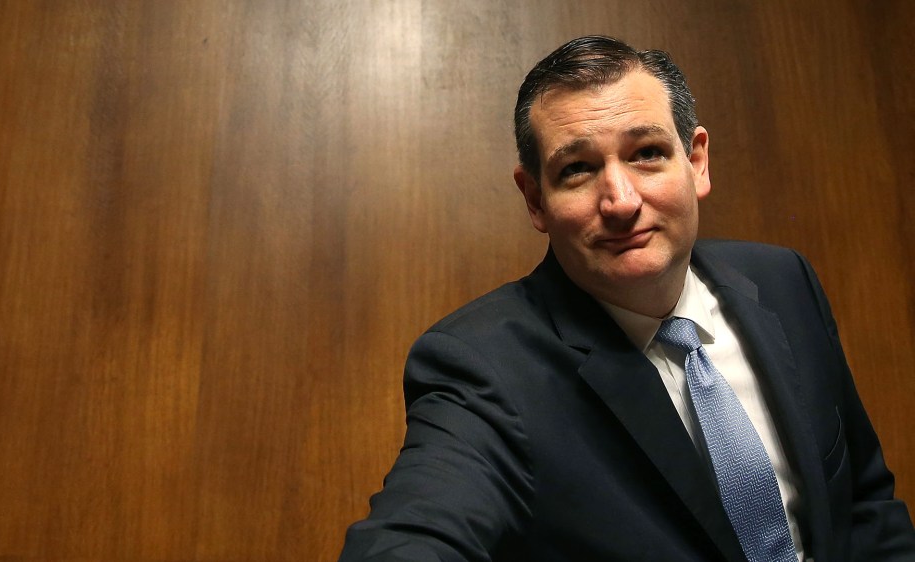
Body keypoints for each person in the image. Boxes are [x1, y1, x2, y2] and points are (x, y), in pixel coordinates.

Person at [339, 35, 915, 561]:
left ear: (696, 162)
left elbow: (865, 505)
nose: (620, 201)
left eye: (646, 154)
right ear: (535, 199)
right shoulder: (483, 368)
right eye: (578, 169)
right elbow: (416, 531)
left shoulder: (784, 281)